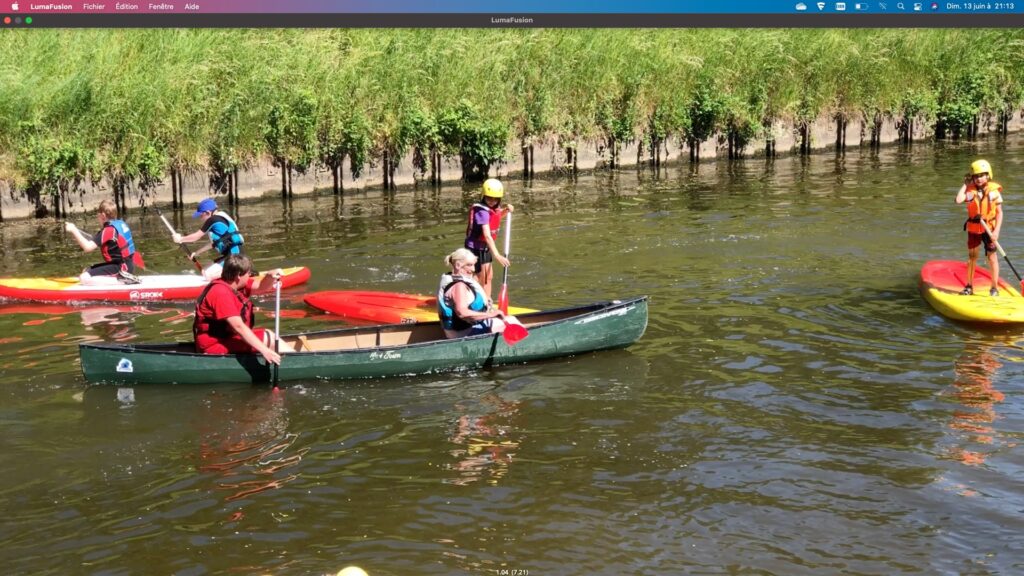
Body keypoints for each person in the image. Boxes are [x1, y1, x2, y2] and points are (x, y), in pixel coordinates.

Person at [192, 254, 293, 364]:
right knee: (269, 338)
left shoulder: (236, 285)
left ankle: (294, 357)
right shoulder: (220, 292)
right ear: (239, 276)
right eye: (249, 273)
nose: (250, 275)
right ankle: (299, 363)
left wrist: (269, 276)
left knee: (268, 335)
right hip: (213, 347)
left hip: (229, 338)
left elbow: (261, 287)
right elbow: (238, 326)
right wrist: (265, 350)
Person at [437, 248, 518, 339]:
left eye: (474, 265)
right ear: (458, 265)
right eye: (469, 265)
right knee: (509, 322)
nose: (473, 269)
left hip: (467, 329)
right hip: (464, 334)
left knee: (511, 320)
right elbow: (462, 313)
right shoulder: (458, 286)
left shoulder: (454, 279)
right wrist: (490, 315)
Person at [64, 199, 144, 284]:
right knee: (86, 270)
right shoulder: (120, 224)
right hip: (127, 265)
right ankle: (124, 277)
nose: (97, 217)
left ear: (103, 215)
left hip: (122, 269)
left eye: (98, 215)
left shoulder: (108, 230)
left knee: (84, 278)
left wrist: (73, 230)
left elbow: (87, 248)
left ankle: (122, 280)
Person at [955, 159, 1004, 296]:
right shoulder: (970, 192)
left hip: (989, 229)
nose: (979, 179)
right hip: (974, 229)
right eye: (975, 176)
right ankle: (969, 286)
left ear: (988, 175)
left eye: (982, 175)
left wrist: (996, 231)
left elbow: (1000, 213)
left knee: (992, 257)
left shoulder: (994, 192)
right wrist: (965, 185)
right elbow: (958, 200)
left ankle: (994, 288)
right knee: (972, 257)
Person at [464, 178, 514, 302]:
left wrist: (505, 211)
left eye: (495, 199)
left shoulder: (491, 210)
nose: (492, 201)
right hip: (475, 248)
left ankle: (487, 301)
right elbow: (486, 235)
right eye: (489, 198)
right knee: (480, 277)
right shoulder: (481, 212)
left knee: (488, 277)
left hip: (485, 247)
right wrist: (497, 255)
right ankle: (473, 300)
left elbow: (495, 218)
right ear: (483, 196)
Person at [173, 197, 245, 280]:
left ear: (207, 213)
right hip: (233, 256)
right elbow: (213, 244)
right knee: (204, 270)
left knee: (207, 275)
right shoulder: (217, 220)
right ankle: (230, 275)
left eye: (201, 215)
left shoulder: (212, 220)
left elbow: (196, 236)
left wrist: (180, 239)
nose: (200, 218)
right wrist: (196, 252)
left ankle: (235, 276)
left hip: (235, 258)